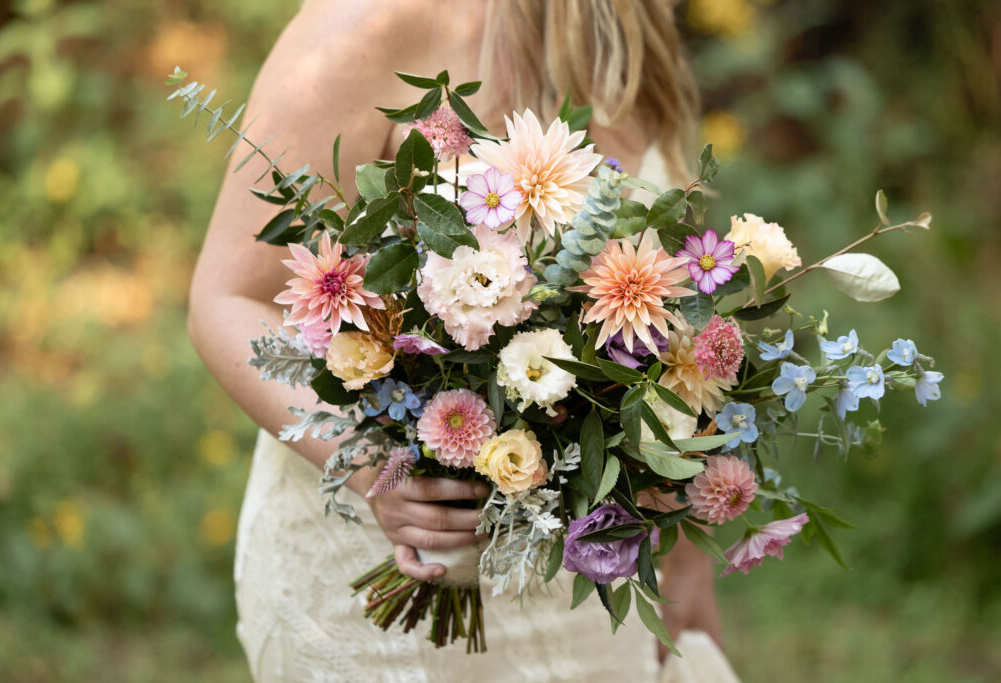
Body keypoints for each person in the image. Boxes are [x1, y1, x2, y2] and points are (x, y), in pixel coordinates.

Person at [188, 1, 737, 680]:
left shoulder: (626, 34)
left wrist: (684, 553)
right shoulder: (366, 25)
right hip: (373, 581)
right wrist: (369, 465)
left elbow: (673, 342)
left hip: (585, 589)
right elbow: (224, 299)